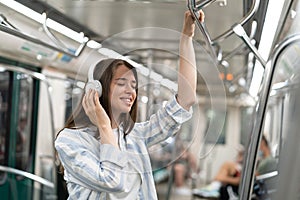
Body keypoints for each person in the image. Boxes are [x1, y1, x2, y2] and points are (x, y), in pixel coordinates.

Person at [55, 10, 205, 199]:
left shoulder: (134, 136)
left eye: (133, 85)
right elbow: (113, 181)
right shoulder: (70, 141)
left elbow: (186, 100)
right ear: (97, 89)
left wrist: (186, 38)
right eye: (121, 83)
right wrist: (103, 125)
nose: (130, 91)